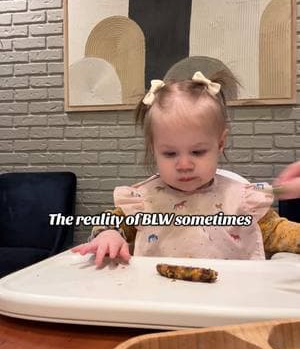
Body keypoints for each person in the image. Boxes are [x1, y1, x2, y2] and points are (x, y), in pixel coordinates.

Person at [73, 71, 300, 265]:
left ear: (220, 144)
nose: (184, 165)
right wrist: (109, 234)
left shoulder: (242, 201)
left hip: (230, 302)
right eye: (170, 153)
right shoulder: (144, 201)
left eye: (197, 152)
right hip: (159, 301)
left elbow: (279, 233)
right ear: (154, 149)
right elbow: (110, 223)